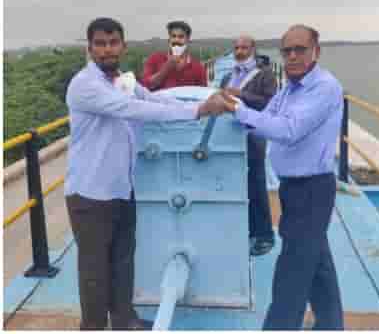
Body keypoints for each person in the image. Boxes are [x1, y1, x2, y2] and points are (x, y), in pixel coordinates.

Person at [64, 17, 228, 330]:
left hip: (121, 189)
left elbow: (153, 98)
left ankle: (124, 320)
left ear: (123, 46)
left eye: (113, 43)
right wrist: (197, 111)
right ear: (90, 48)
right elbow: (134, 110)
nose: (107, 49)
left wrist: (200, 98)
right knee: (95, 274)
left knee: (123, 262)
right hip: (90, 195)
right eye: (100, 43)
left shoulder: (122, 81)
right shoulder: (86, 85)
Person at [217, 24, 344, 330]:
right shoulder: (289, 88)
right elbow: (266, 120)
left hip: (312, 189)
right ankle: (331, 325)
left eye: (300, 49)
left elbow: (288, 130)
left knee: (291, 273)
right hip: (293, 187)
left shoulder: (323, 87)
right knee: (317, 265)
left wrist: (239, 112)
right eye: (287, 51)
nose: (292, 56)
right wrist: (232, 109)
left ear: (316, 51)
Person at [221, 34, 278, 256]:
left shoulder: (265, 75)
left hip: (254, 134)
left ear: (253, 49)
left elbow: (269, 103)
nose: (240, 51)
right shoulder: (228, 76)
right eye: (236, 47)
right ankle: (244, 228)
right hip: (230, 134)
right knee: (235, 183)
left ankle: (264, 235)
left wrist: (240, 94)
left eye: (244, 47)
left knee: (256, 184)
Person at [141, 20, 207, 90]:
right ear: (169, 40)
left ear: (188, 40)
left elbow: (202, 93)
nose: (176, 40)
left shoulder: (198, 67)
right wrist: (166, 68)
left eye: (181, 37)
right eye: (173, 36)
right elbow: (145, 86)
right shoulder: (155, 59)